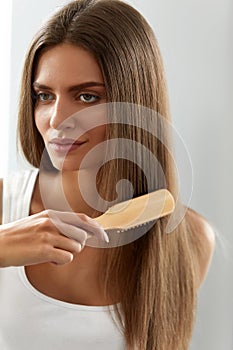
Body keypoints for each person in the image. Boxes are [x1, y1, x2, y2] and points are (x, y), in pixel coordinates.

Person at [0, 0, 215, 349]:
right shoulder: (4, 209)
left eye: (86, 96)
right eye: (44, 95)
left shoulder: (189, 240)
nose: (56, 120)